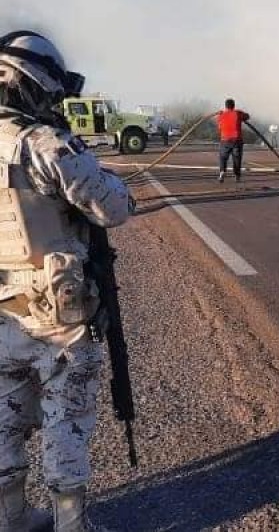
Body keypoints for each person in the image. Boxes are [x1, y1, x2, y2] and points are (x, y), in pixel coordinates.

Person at [0, 31, 133, 531]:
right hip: (57, 313)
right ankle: (70, 525)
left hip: (3, 310)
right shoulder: (44, 144)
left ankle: (10, 518)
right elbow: (113, 206)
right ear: (31, 84)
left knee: (5, 418)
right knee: (67, 419)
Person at [217, 98, 249, 183]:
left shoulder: (221, 115)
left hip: (225, 140)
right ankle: (237, 176)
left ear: (225, 106)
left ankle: (222, 171)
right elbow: (247, 117)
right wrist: (242, 114)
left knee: (223, 157)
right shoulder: (238, 113)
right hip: (236, 140)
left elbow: (219, 128)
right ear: (233, 106)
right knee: (237, 158)